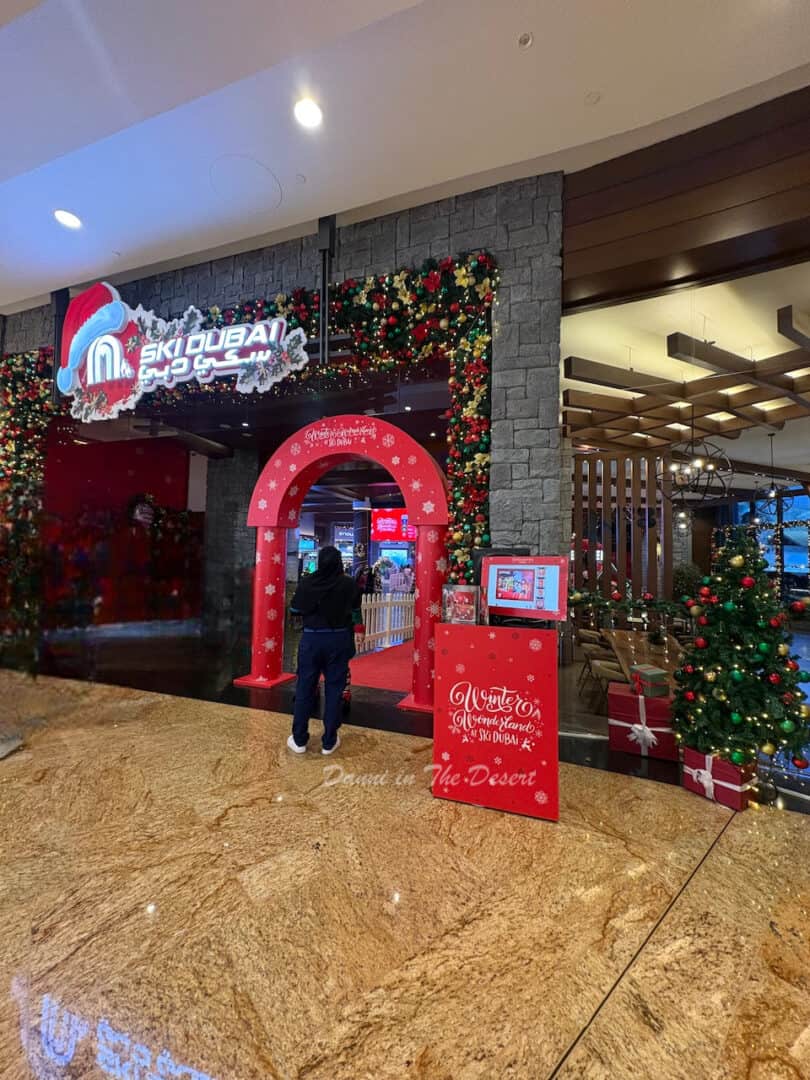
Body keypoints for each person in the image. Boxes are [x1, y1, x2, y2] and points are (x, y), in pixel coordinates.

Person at [287, 546, 364, 755]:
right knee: (334, 689)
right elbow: (356, 610)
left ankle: (300, 740)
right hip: (339, 640)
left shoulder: (308, 582)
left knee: (304, 688)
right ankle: (329, 742)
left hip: (312, 639)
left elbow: (295, 609)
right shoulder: (348, 584)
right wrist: (358, 629)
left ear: (320, 561)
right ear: (339, 562)